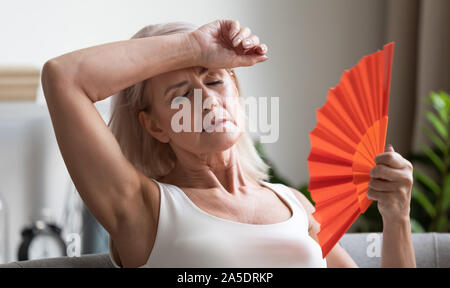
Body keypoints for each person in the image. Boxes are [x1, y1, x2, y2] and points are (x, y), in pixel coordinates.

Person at [41, 19, 416, 268]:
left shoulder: (293, 203)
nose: (207, 99)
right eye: (181, 94)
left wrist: (397, 214)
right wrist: (194, 46)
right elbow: (64, 78)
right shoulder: (144, 209)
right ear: (154, 126)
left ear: (235, 90)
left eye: (215, 80)